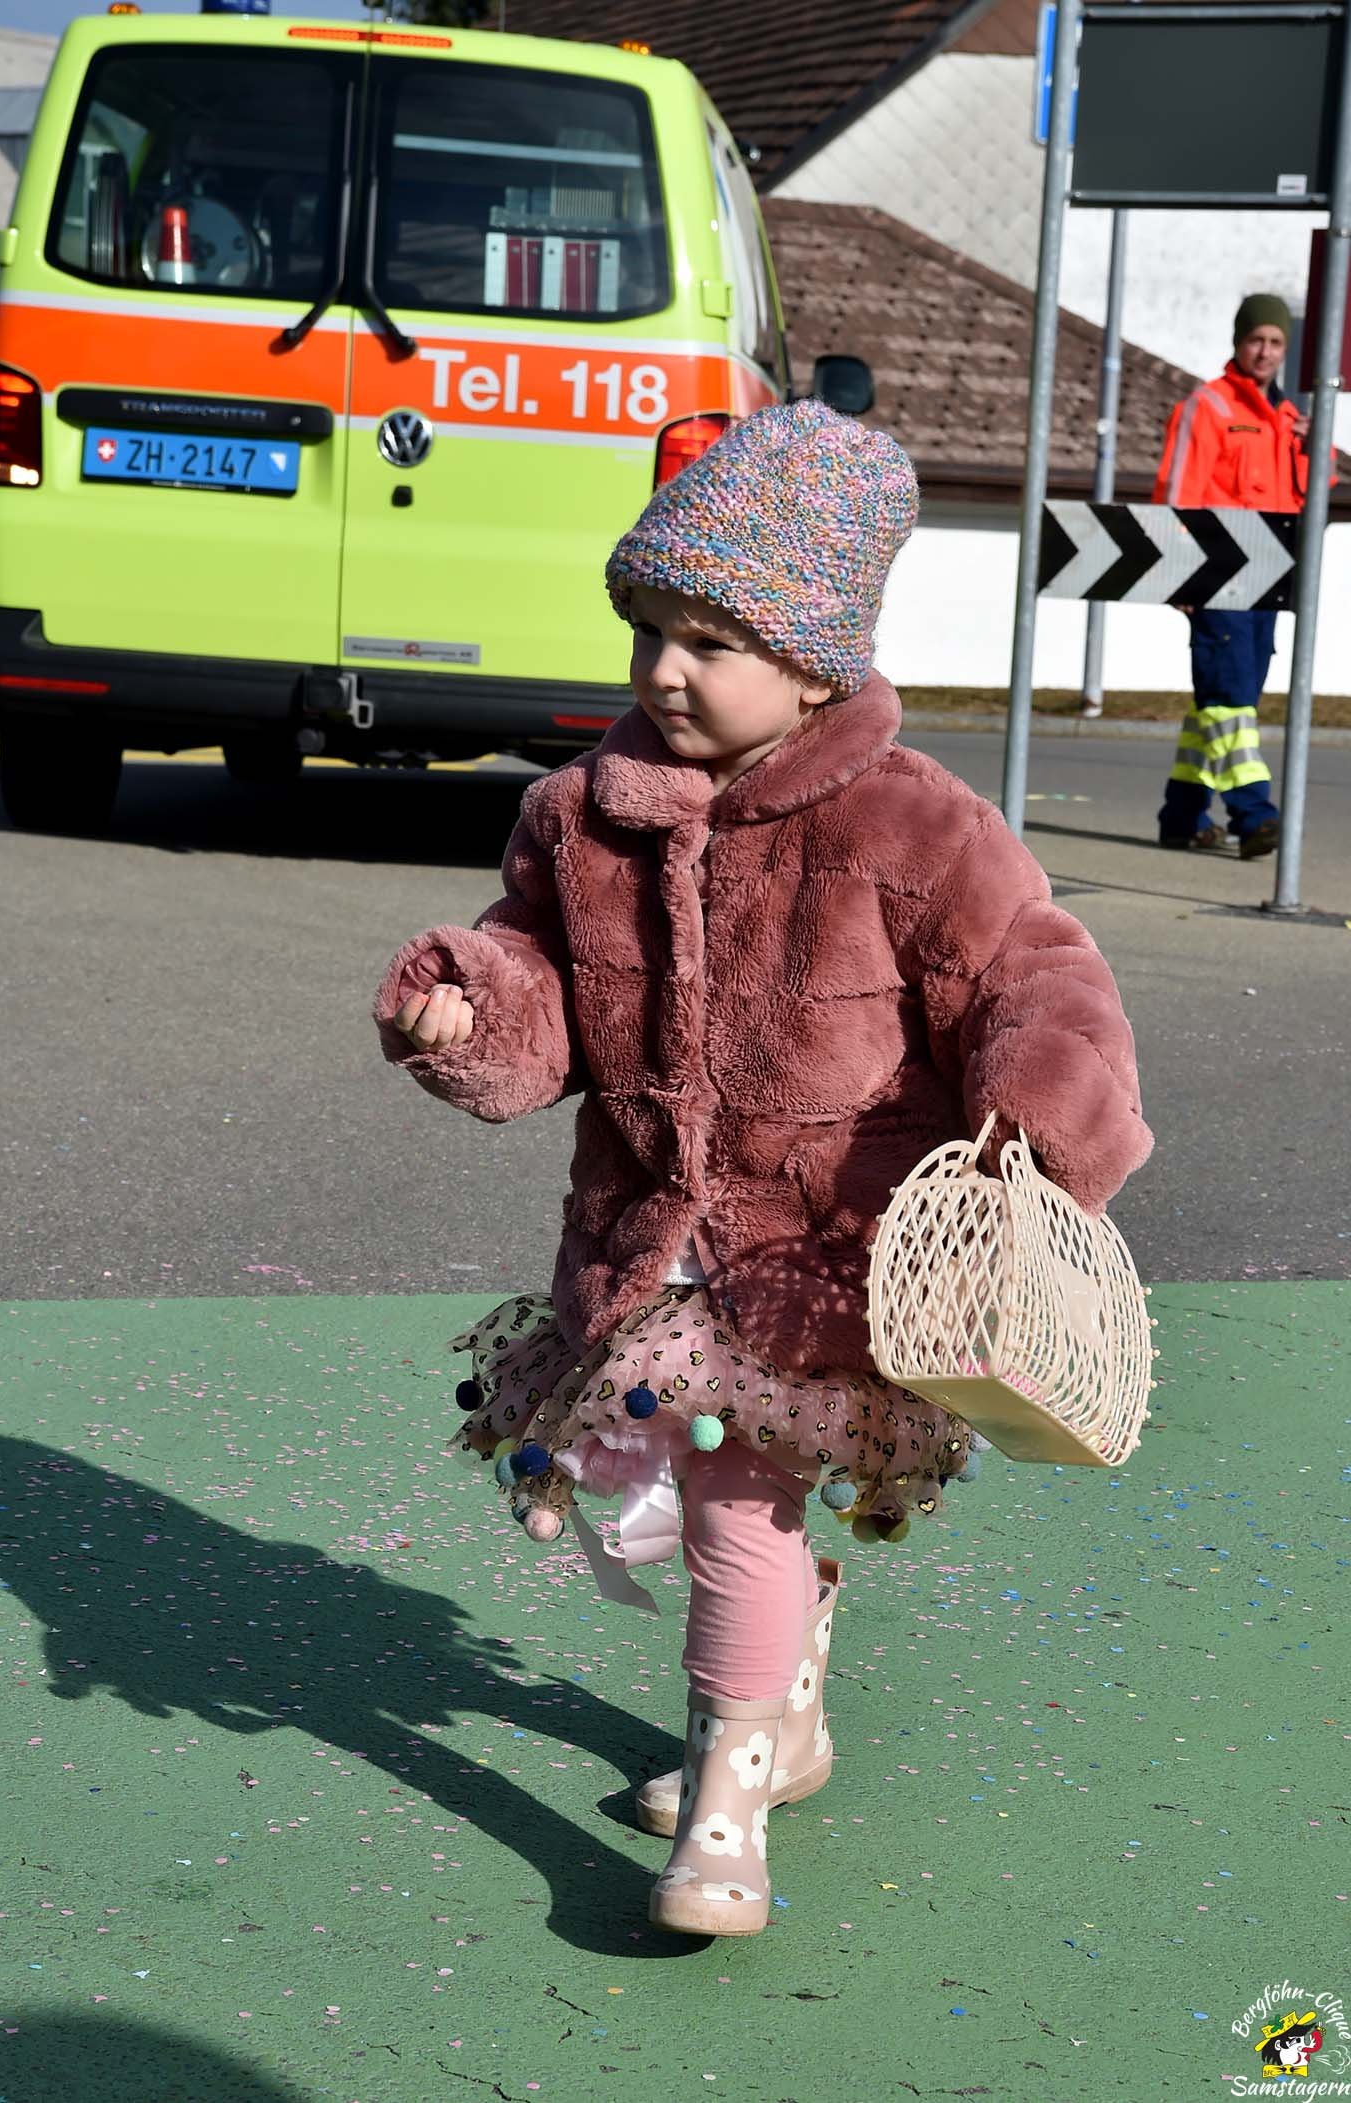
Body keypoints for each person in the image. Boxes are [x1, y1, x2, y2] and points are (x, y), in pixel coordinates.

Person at [373, 400, 1153, 1940]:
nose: (665, 668)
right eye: (649, 628)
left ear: (813, 662)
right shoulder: (577, 817)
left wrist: (1039, 1117)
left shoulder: (911, 822)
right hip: (652, 1246)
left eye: (711, 638)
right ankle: (788, 1707)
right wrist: (469, 1001)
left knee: (738, 1499)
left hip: (824, 1256)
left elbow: (1035, 976)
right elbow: (543, 1006)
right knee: (734, 1493)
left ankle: (728, 1786)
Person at [1152, 292, 1309, 856]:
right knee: (1229, 695)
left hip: (1269, 577)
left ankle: (1183, 815)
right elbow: (1176, 494)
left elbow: (1303, 498)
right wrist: (1182, 575)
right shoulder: (1209, 405)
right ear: (1237, 343)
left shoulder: (1289, 416)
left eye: (1275, 342)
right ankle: (1253, 812)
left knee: (1221, 700)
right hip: (1215, 576)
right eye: (1255, 340)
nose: (1264, 352)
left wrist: (1314, 451)